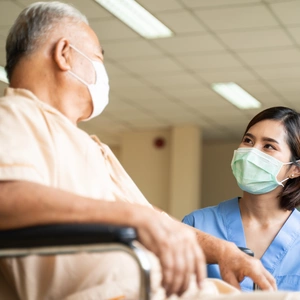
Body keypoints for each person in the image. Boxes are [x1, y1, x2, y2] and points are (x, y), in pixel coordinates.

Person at [0, 1, 299, 299]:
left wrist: (223, 250)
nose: (102, 73)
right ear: (64, 54)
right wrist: (129, 217)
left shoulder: (89, 147)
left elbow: (152, 219)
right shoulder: (14, 114)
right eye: (96, 58)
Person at [183, 106, 300, 292]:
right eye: (248, 140)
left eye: (268, 146)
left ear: (295, 169)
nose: (252, 153)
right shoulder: (197, 224)